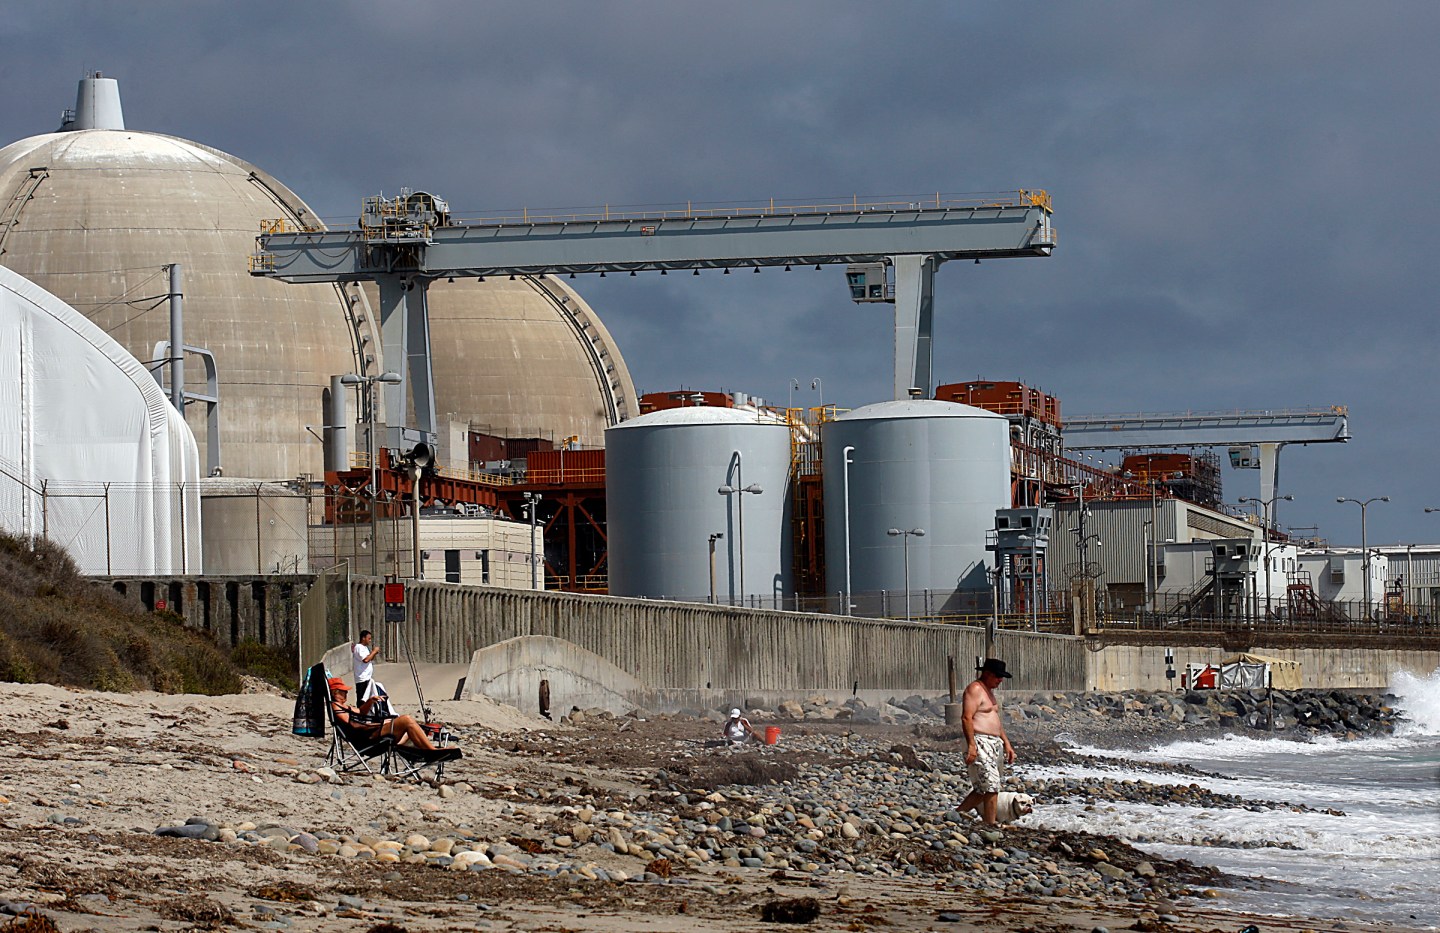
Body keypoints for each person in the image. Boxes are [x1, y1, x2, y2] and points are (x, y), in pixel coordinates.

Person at [957, 658, 1017, 824]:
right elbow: (966, 717)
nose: (1000, 680)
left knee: (983, 788)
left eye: (1002, 677)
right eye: (997, 676)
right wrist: (971, 745)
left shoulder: (989, 692)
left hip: (994, 742)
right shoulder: (975, 689)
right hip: (980, 740)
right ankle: (990, 825)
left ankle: (956, 815)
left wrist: (1007, 743)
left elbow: (995, 721)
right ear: (987, 673)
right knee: (991, 785)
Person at [327, 678, 446, 751]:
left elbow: (361, 712)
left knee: (410, 728)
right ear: (335, 692)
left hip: (369, 733)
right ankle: (432, 750)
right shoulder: (335, 705)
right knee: (406, 720)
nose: (346, 693)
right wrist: (379, 724)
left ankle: (424, 751)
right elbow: (353, 725)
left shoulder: (345, 707)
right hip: (367, 737)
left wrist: (370, 701)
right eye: (344, 691)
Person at [352, 630, 381, 702]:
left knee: (368, 697)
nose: (370, 640)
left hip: (367, 677)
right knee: (362, 698)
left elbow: (369, 658)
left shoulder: (365, 647)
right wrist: (374, 651)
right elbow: (365, 660)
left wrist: (374, 653)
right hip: (362, 678)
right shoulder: (359, 647)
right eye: (369, 638)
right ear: (363, 638)